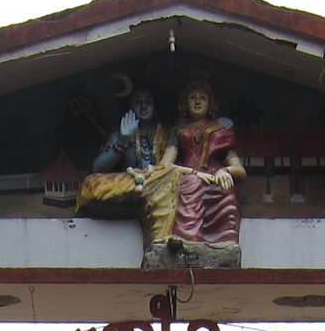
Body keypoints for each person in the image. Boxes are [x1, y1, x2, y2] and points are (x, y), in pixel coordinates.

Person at [161, 70, 244, 249]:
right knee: (190, 183)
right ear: (184, 103)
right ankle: (186, 239)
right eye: (192, 97)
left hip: (215, 177)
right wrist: (193, 173)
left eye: (203, 97)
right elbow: (164, 165)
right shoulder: (179, 131)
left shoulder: (222, 131)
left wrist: (224, 171)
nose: (197, 101)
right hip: (188, 176)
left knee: (226, 189)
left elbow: (239, 170)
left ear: (211, 103)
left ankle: (224, 242)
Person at [76, 86, 165, 220]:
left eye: (148, 102)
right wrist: (123, 141)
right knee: (90, 183)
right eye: (137, 102)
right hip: (130, 182)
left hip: (160, 181)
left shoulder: (166, 132)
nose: (143, 106)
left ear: (155, 106)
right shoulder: (120, 132)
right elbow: (97, 167)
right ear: (130, 108)